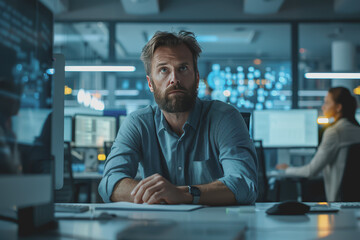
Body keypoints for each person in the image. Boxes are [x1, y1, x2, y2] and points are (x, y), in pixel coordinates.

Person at [98, 31, 258, 205]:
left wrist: (183, 194)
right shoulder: (138, 123)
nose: (174, 79)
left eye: (183, 68)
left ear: (197, 79)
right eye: (164, 70)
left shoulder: (224, 118)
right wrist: (155, 194)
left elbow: (244, 184)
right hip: (157, 227)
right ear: (150, 84)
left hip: (215, 227)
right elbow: (109, 183)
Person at [277, 87, 360, 201]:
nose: (323, 107)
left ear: (338, 107)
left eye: (326, 102)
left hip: (338, 203)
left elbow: (311, 171)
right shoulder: (356, 129)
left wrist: (287, 169)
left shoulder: (334, 132)